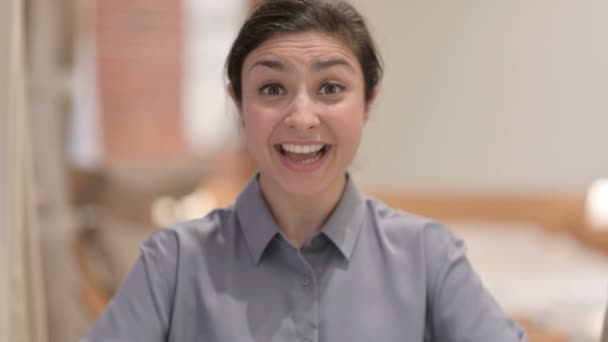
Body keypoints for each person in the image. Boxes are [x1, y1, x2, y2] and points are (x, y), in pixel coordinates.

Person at [83, 0, 527, 341]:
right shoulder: (174, 263)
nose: (301, 117)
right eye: (272, 88)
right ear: (238, 103)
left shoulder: (428, 257)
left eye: (330, 88)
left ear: (368, 102)